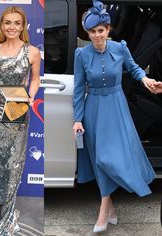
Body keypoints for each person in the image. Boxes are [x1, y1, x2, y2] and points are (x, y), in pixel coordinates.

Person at [72, 0, 157, 233]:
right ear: (87, 33)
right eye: (92, 32)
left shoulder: (120, 48)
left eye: (101, 31)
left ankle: (104, 208)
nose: (97, 35)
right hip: (94, 110)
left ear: (108, 30)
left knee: (110, 158)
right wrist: (77, 119)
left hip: (117, 107)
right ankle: (108, 208)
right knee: (100, 159)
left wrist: (146, 80)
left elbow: (135, 68)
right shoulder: (81, 54)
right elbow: (79, 88)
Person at [0, 6, 40, 236]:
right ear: (1, 25)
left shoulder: (32, 52)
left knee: (13, 164)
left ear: (23, 25)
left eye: (16, 23)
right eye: (7, 22)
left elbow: (35, 79)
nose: (11, 27)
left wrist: (31, 96)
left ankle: (7, 218)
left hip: (17, 102)